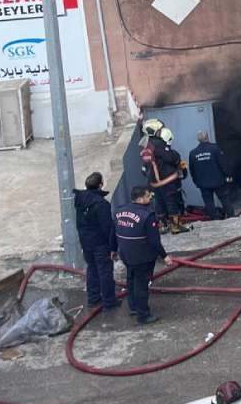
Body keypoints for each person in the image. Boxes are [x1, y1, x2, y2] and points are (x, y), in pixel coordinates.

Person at [114, 186, 174, 324]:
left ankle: (133, 307)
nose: (150, 197)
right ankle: (143, 315)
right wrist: (164, 256)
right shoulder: (147, 215)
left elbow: (114, 231)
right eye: (148, 196)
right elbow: (154, 241)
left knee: (131, 280)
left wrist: (113, 249)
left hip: (126, 254)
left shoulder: (119, 211)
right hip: (143, 257)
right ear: (140, 199)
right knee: (141, 285)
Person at [75, 172, 119, 311]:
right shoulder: (101, 204)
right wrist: (113, 247)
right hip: (100, 243)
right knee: (105, 272)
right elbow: (108, 227)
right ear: (100, 185)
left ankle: (93, 298)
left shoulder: (80, 199)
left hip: (86, 242)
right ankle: (109, 301)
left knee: (92, 269)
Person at [144, 126, 189, 234]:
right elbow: (174, 160)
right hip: (168, 182)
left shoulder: (150, 150)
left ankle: (162, 225)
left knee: (159, 203)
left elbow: (145, 169)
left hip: (155, 184)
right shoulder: (166, 151)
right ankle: (175, 226)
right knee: (171, 202)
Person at [189, 131, 233, 220]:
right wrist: (228, 175)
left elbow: (192, 170)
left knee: (209, 203)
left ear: (198, 140)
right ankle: (231, 217)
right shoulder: (215, 149)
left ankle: (215, 219)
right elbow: (223, 164)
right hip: (218, 181)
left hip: (203, 183)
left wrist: (196, 182)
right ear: (207, 137)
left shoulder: (193, 153)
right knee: (224, 199)